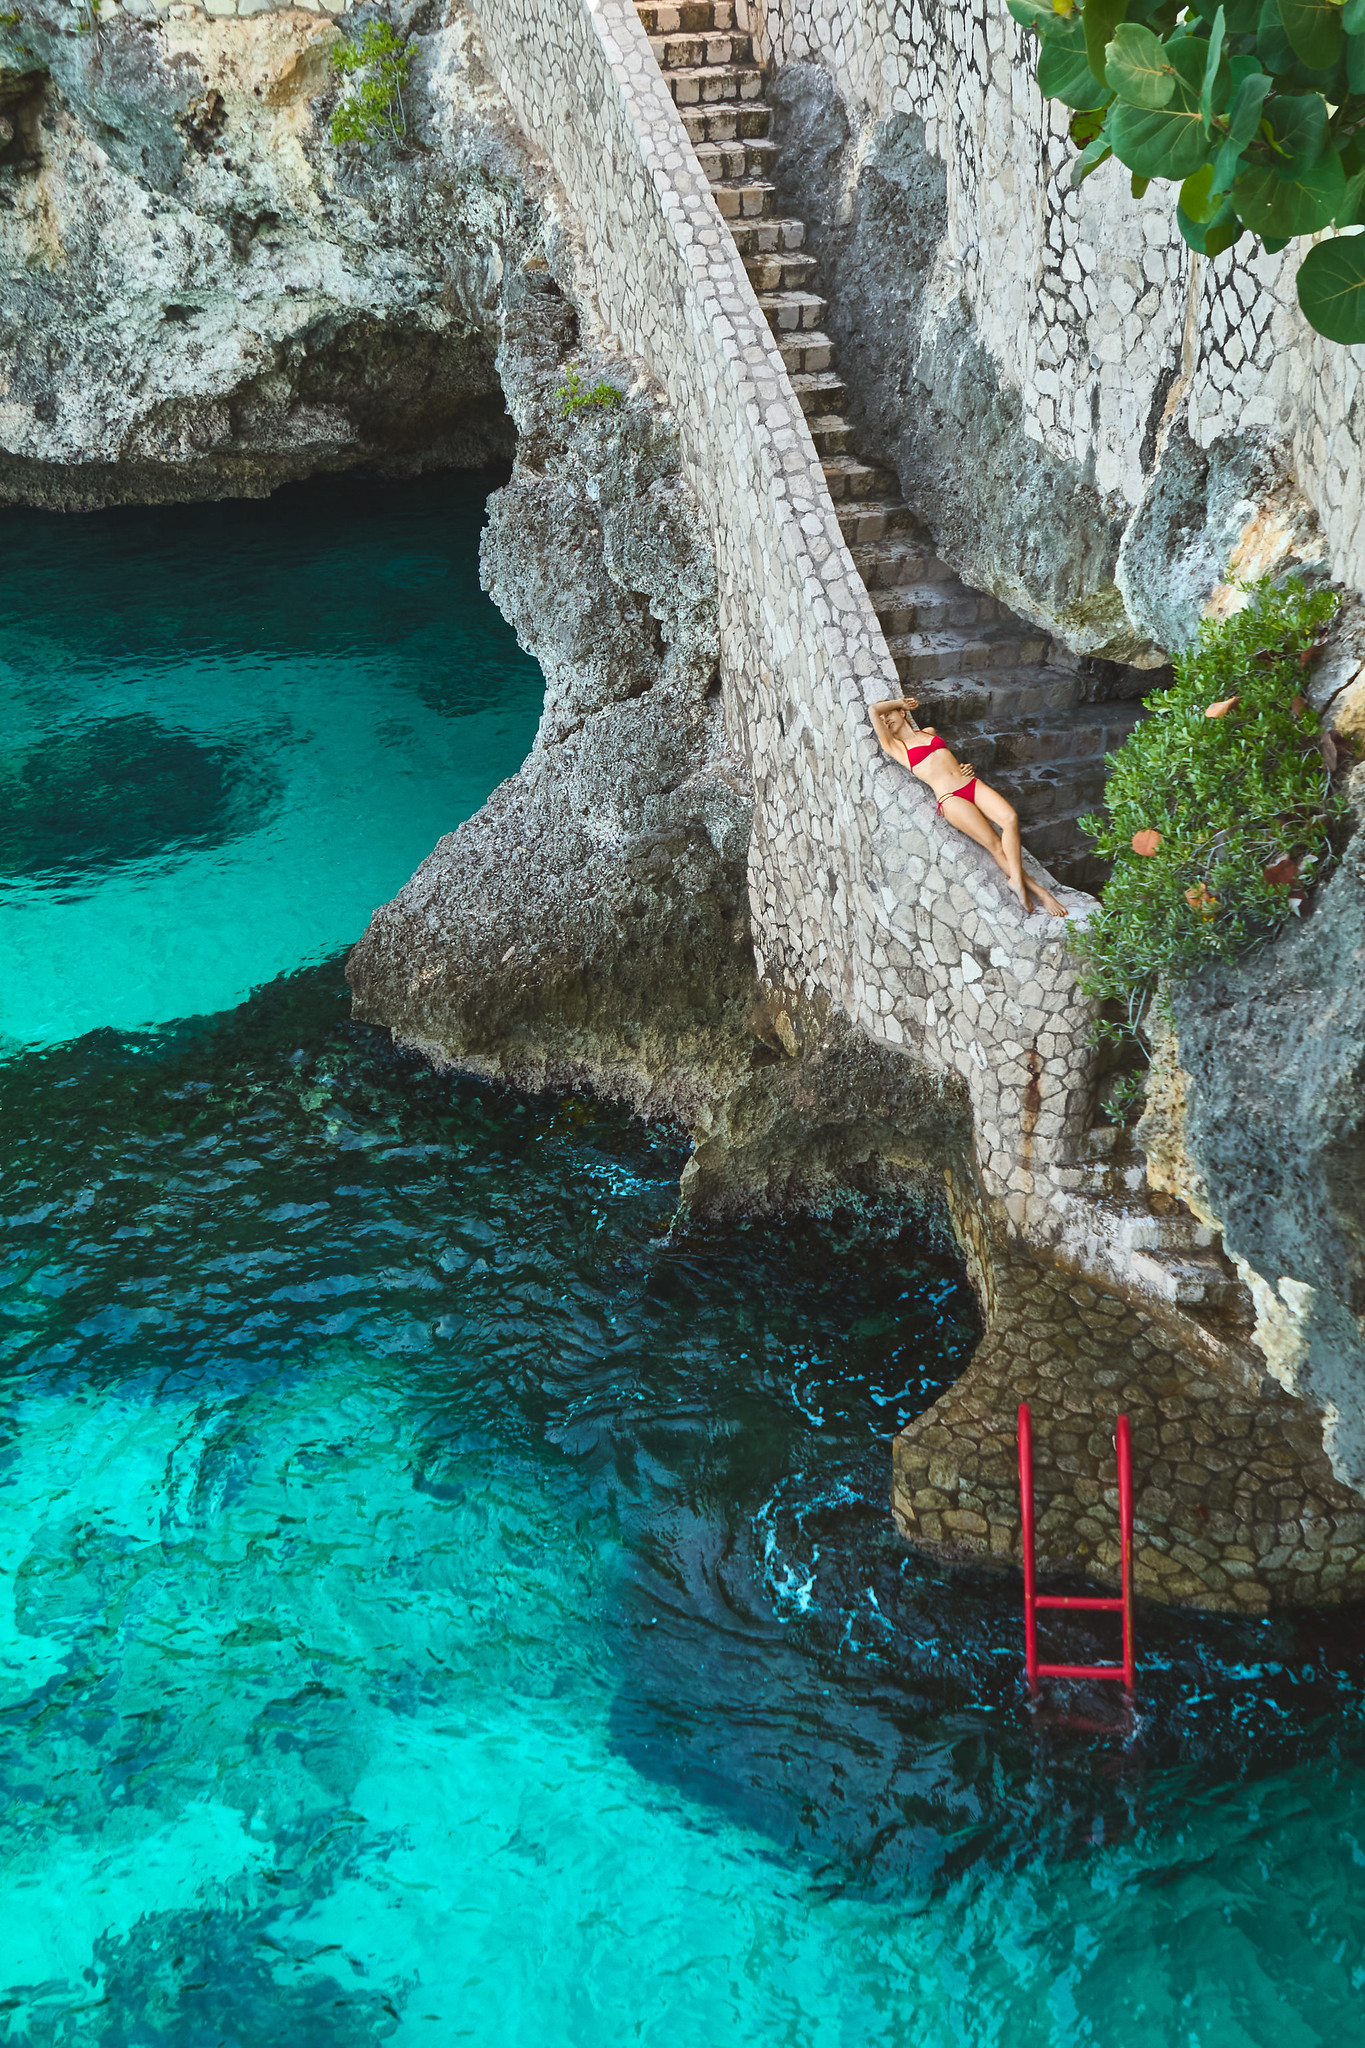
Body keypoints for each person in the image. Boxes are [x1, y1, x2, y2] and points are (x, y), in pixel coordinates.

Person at [869, 695, 1068, 919]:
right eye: (884, 717)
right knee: (994, 844)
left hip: (970, 783)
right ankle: (1037, 892)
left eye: (890, 714)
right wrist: (898, 703)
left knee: (1010, 818)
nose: (885, 719)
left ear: (902, 714)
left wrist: (965, 766)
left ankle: (1018, 882)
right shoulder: (896, 747)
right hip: (951, 798)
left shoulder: (929, 732)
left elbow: (945, 760)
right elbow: (873, 710)